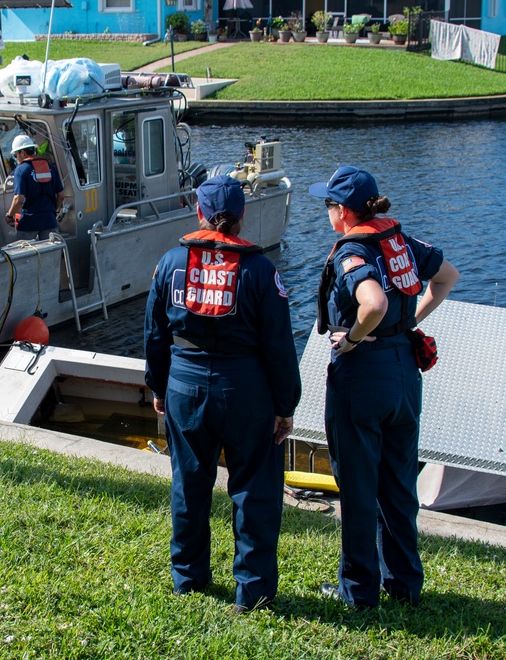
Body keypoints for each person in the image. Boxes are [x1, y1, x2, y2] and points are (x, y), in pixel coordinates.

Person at [143, 175, 301, 614]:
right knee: (253, 489)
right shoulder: (261, 271)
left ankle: (188, 579)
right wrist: (285, 406)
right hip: (247, 389)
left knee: (189, 483)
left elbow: (155, 335)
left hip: (185, 384)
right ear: (242, 216)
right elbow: (279, 346)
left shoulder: (170, 263)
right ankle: (252, 593)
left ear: (198, 213)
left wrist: (158, 385)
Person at [309, 166, 459, 609]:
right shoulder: (402, 243)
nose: (327, 213)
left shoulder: (352, 251)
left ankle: (357, 592)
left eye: (329, 205)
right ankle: (405, 583)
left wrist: (353, 337)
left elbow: (371, 302)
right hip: (404, 373)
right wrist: (407, 322)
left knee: (357, 487)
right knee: (398, 483)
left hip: (362, 376)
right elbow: (447, 276)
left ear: (343, 211)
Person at [5, 134, 67, 241]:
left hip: (29, 223)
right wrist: (53, 211)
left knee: (24, 255)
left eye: (16, 155)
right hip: (49, 221)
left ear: (22, 153)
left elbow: (18, 199)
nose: (16, 158)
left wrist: (9, 216)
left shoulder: (21, 169)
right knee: (51, 255)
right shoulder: (50, 167)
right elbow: (61, 195)